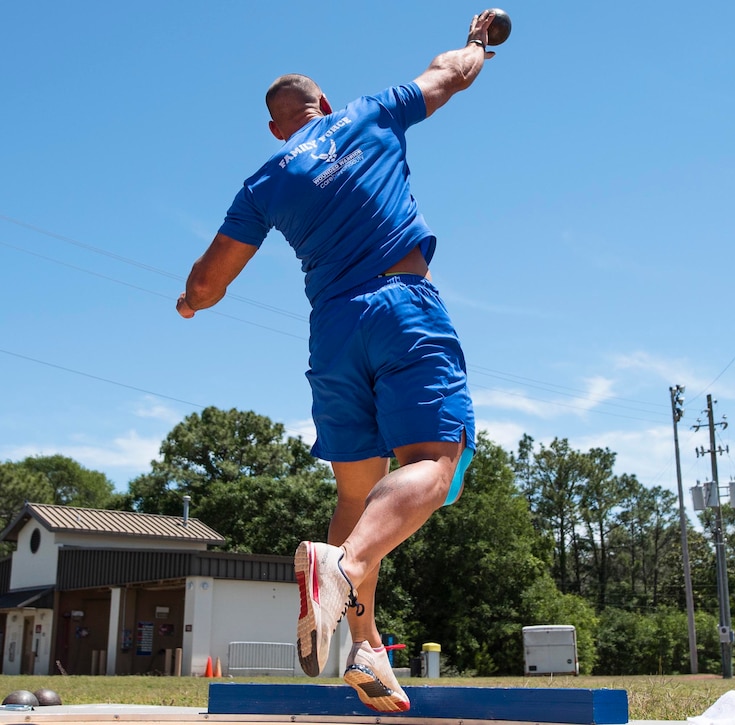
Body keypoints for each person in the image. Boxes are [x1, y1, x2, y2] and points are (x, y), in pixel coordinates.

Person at [177, 11, 501, 713]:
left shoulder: (266, 178)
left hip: (332, 331)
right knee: (438, 468)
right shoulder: (370, 114)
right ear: (322, 104)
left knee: (357, 495)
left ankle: (367, 649)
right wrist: (479, 43)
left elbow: (208, 283)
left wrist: (187, 302)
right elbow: (452, 74)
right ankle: (345, 568)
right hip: (400, 306)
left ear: (278, 127)